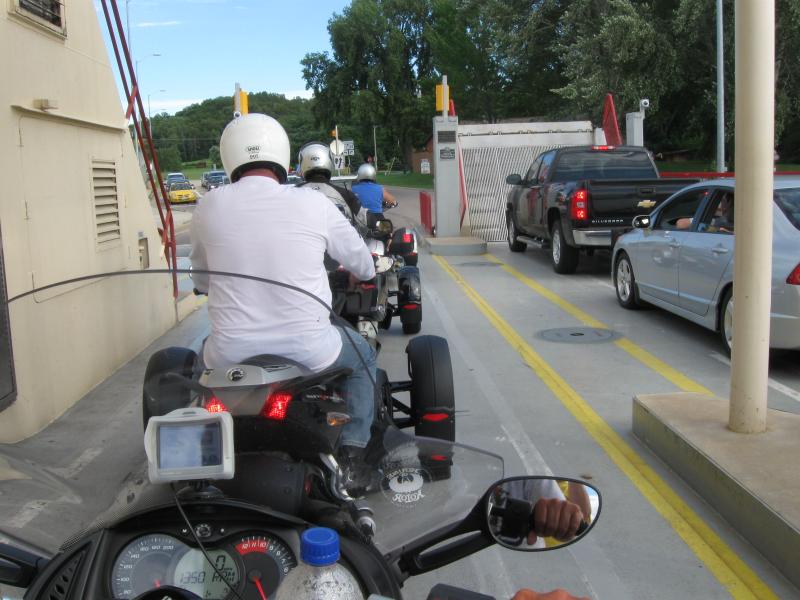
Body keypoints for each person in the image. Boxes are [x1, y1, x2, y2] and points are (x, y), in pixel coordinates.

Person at [189, 113, 377, 488]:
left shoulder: (208, 206)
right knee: (363, 360)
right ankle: (354, 453)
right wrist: (358, 271)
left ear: (230, 159)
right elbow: (364, 266)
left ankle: (199, 448)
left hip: (231, 358)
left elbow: (201, 279)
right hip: (310, 354)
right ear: (282, 158)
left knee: (196, 358)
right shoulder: (313, 204)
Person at [297, 141, 369, 232]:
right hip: (339, 244)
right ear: (329, 160)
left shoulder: (291, 193)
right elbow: (364, 218)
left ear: (302, 162)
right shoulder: (345, 194)